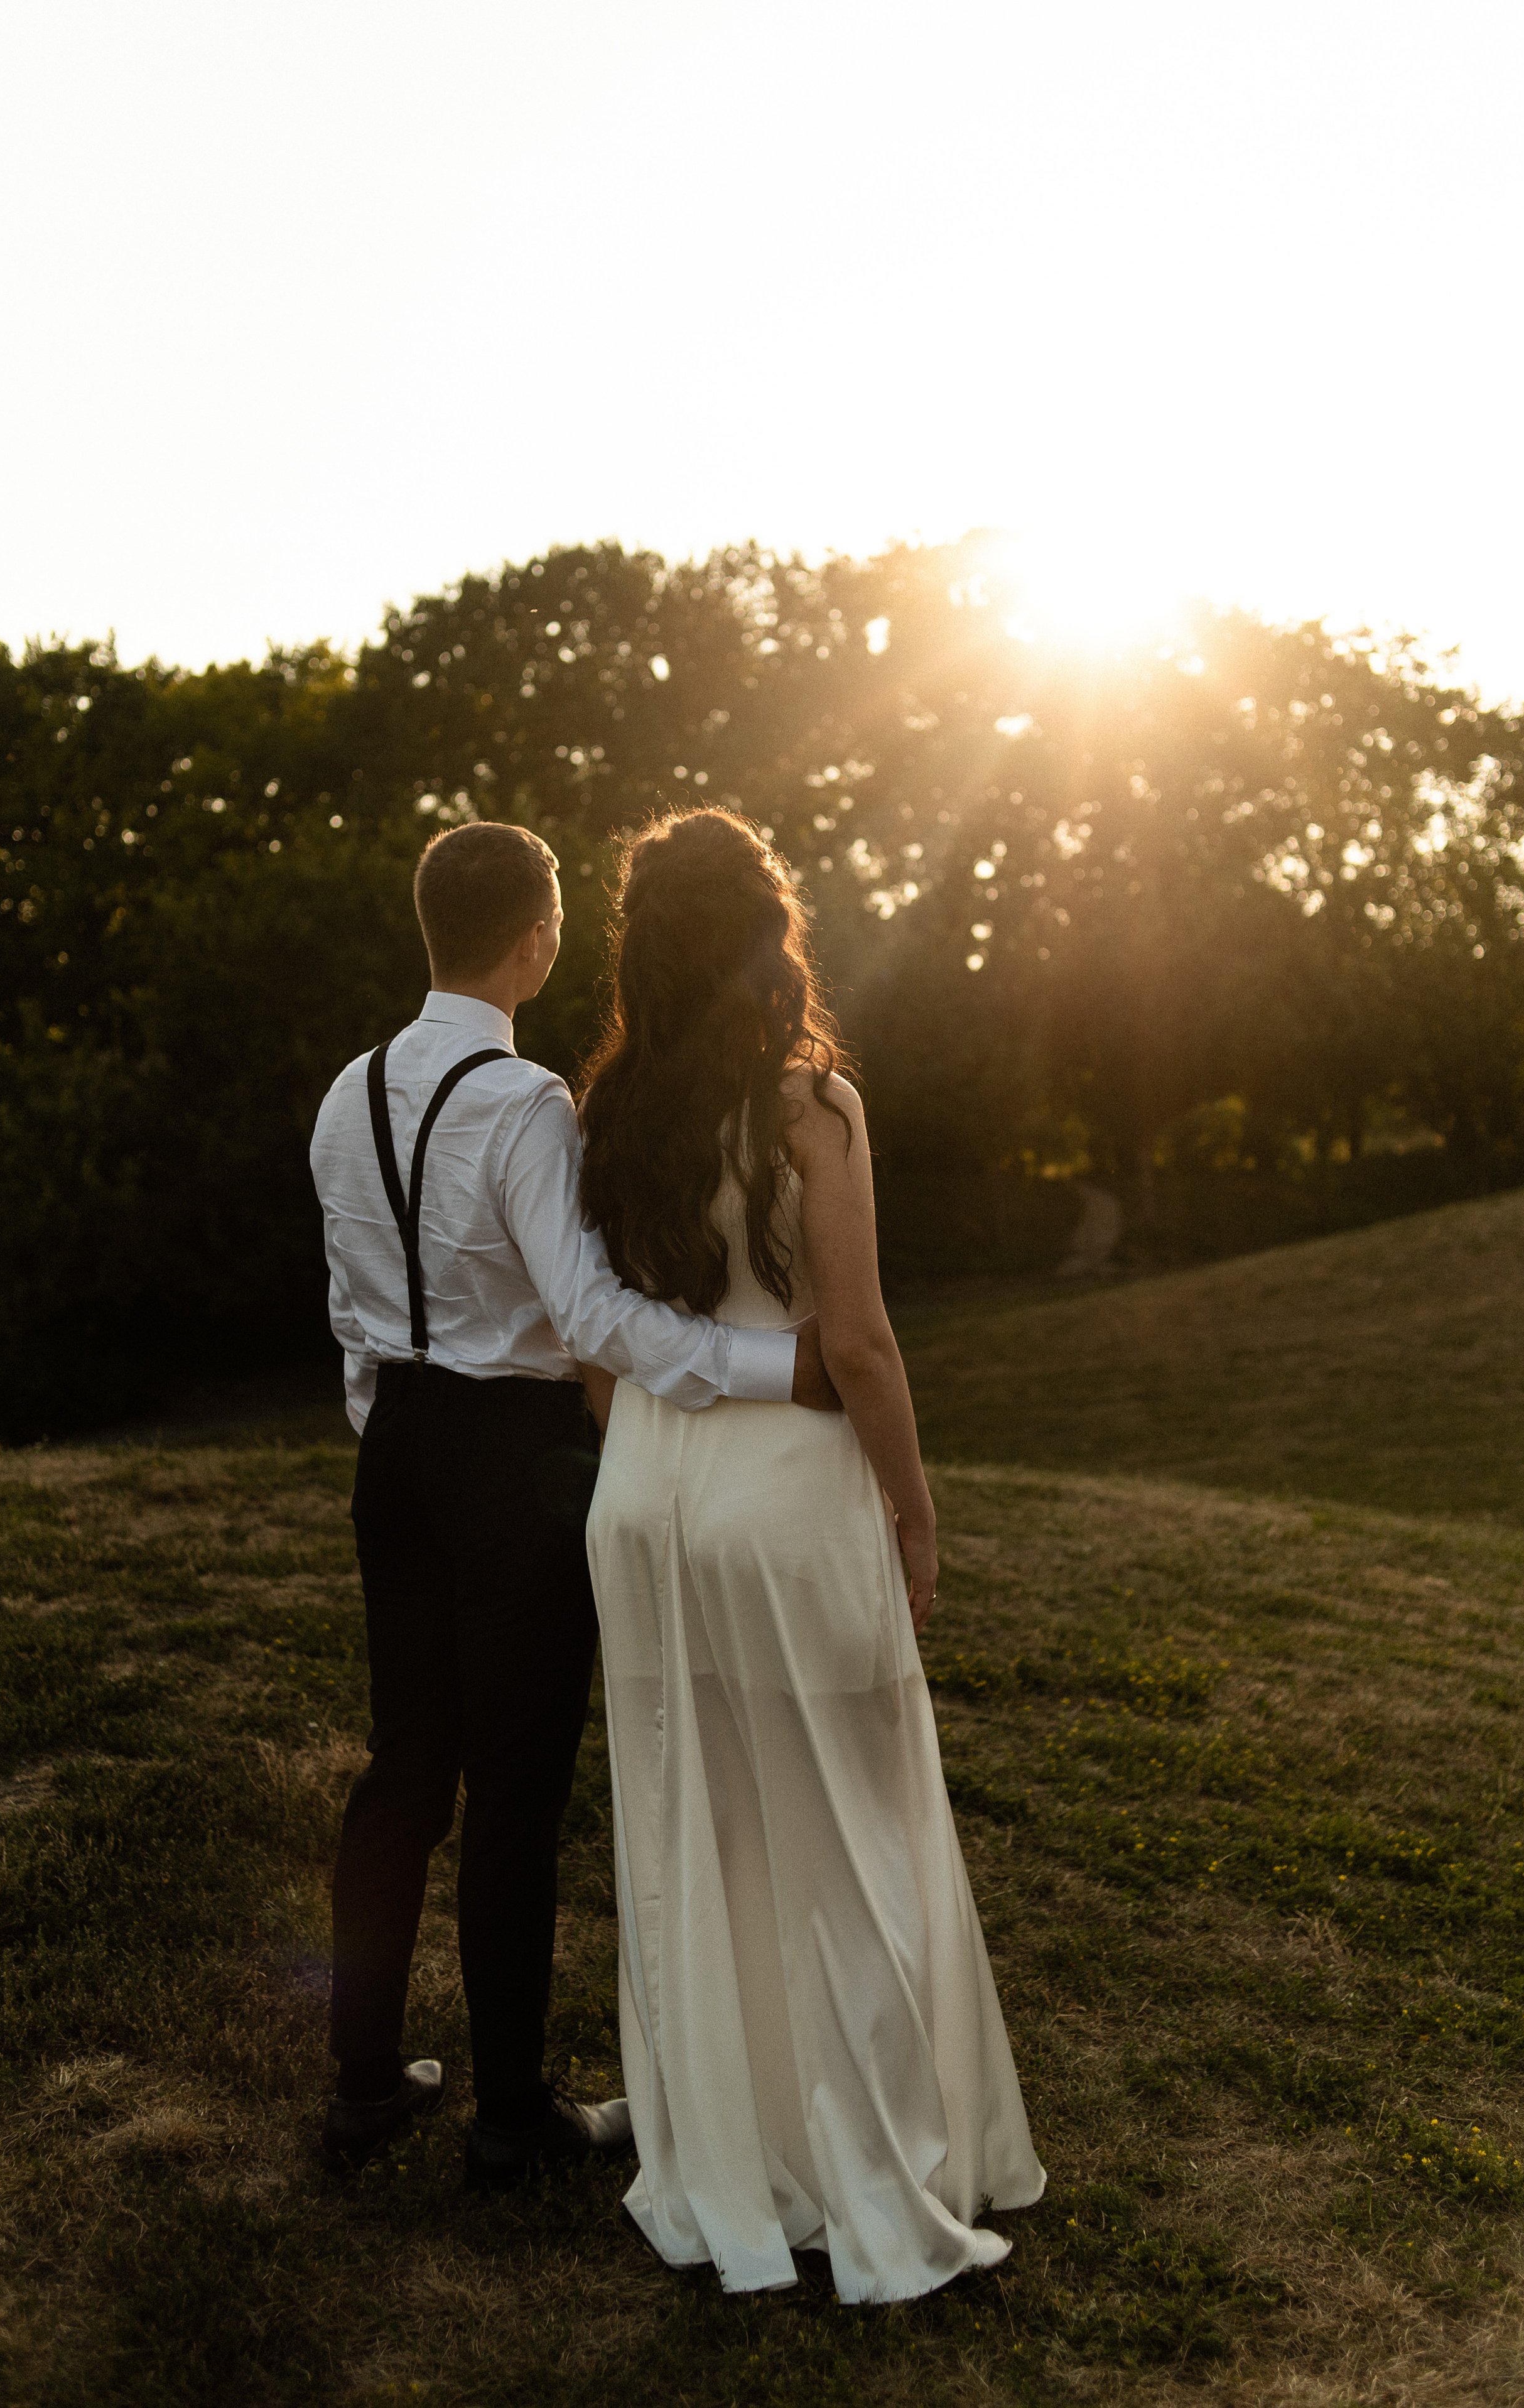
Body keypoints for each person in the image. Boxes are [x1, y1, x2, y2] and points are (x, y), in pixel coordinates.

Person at [308, 818, 839, 2187]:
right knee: (516, 1789)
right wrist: (779, 1366)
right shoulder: (524, 1103)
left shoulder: (342, 1093)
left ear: (430, 929)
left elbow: (352, 1315)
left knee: (405, 1768)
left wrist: (395, 1436)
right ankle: (507, 2118)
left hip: (399, 1455)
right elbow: (591, 1312)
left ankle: (363, 2083)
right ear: (539, 939)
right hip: (510, 1461)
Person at [579, 808, 1045, 2303]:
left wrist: (657, 1439)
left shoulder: (604, 1113)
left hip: (643, 1497)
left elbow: (594, 1355)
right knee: (847, 1839)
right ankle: (866, 2174)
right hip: (782, 1504)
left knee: (703, 1839)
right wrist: (911, 1507)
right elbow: (854, 1341)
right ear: (764, 933)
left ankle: (735, 2159)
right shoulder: (808, 1106)